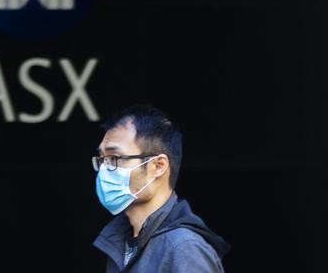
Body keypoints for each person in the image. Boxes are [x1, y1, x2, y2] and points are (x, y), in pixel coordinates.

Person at [92, 104, 229, 272]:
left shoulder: (183, 248)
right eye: (102, 159)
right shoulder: (121, 242)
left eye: (114, 158)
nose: (105, 169)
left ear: (158, 166)